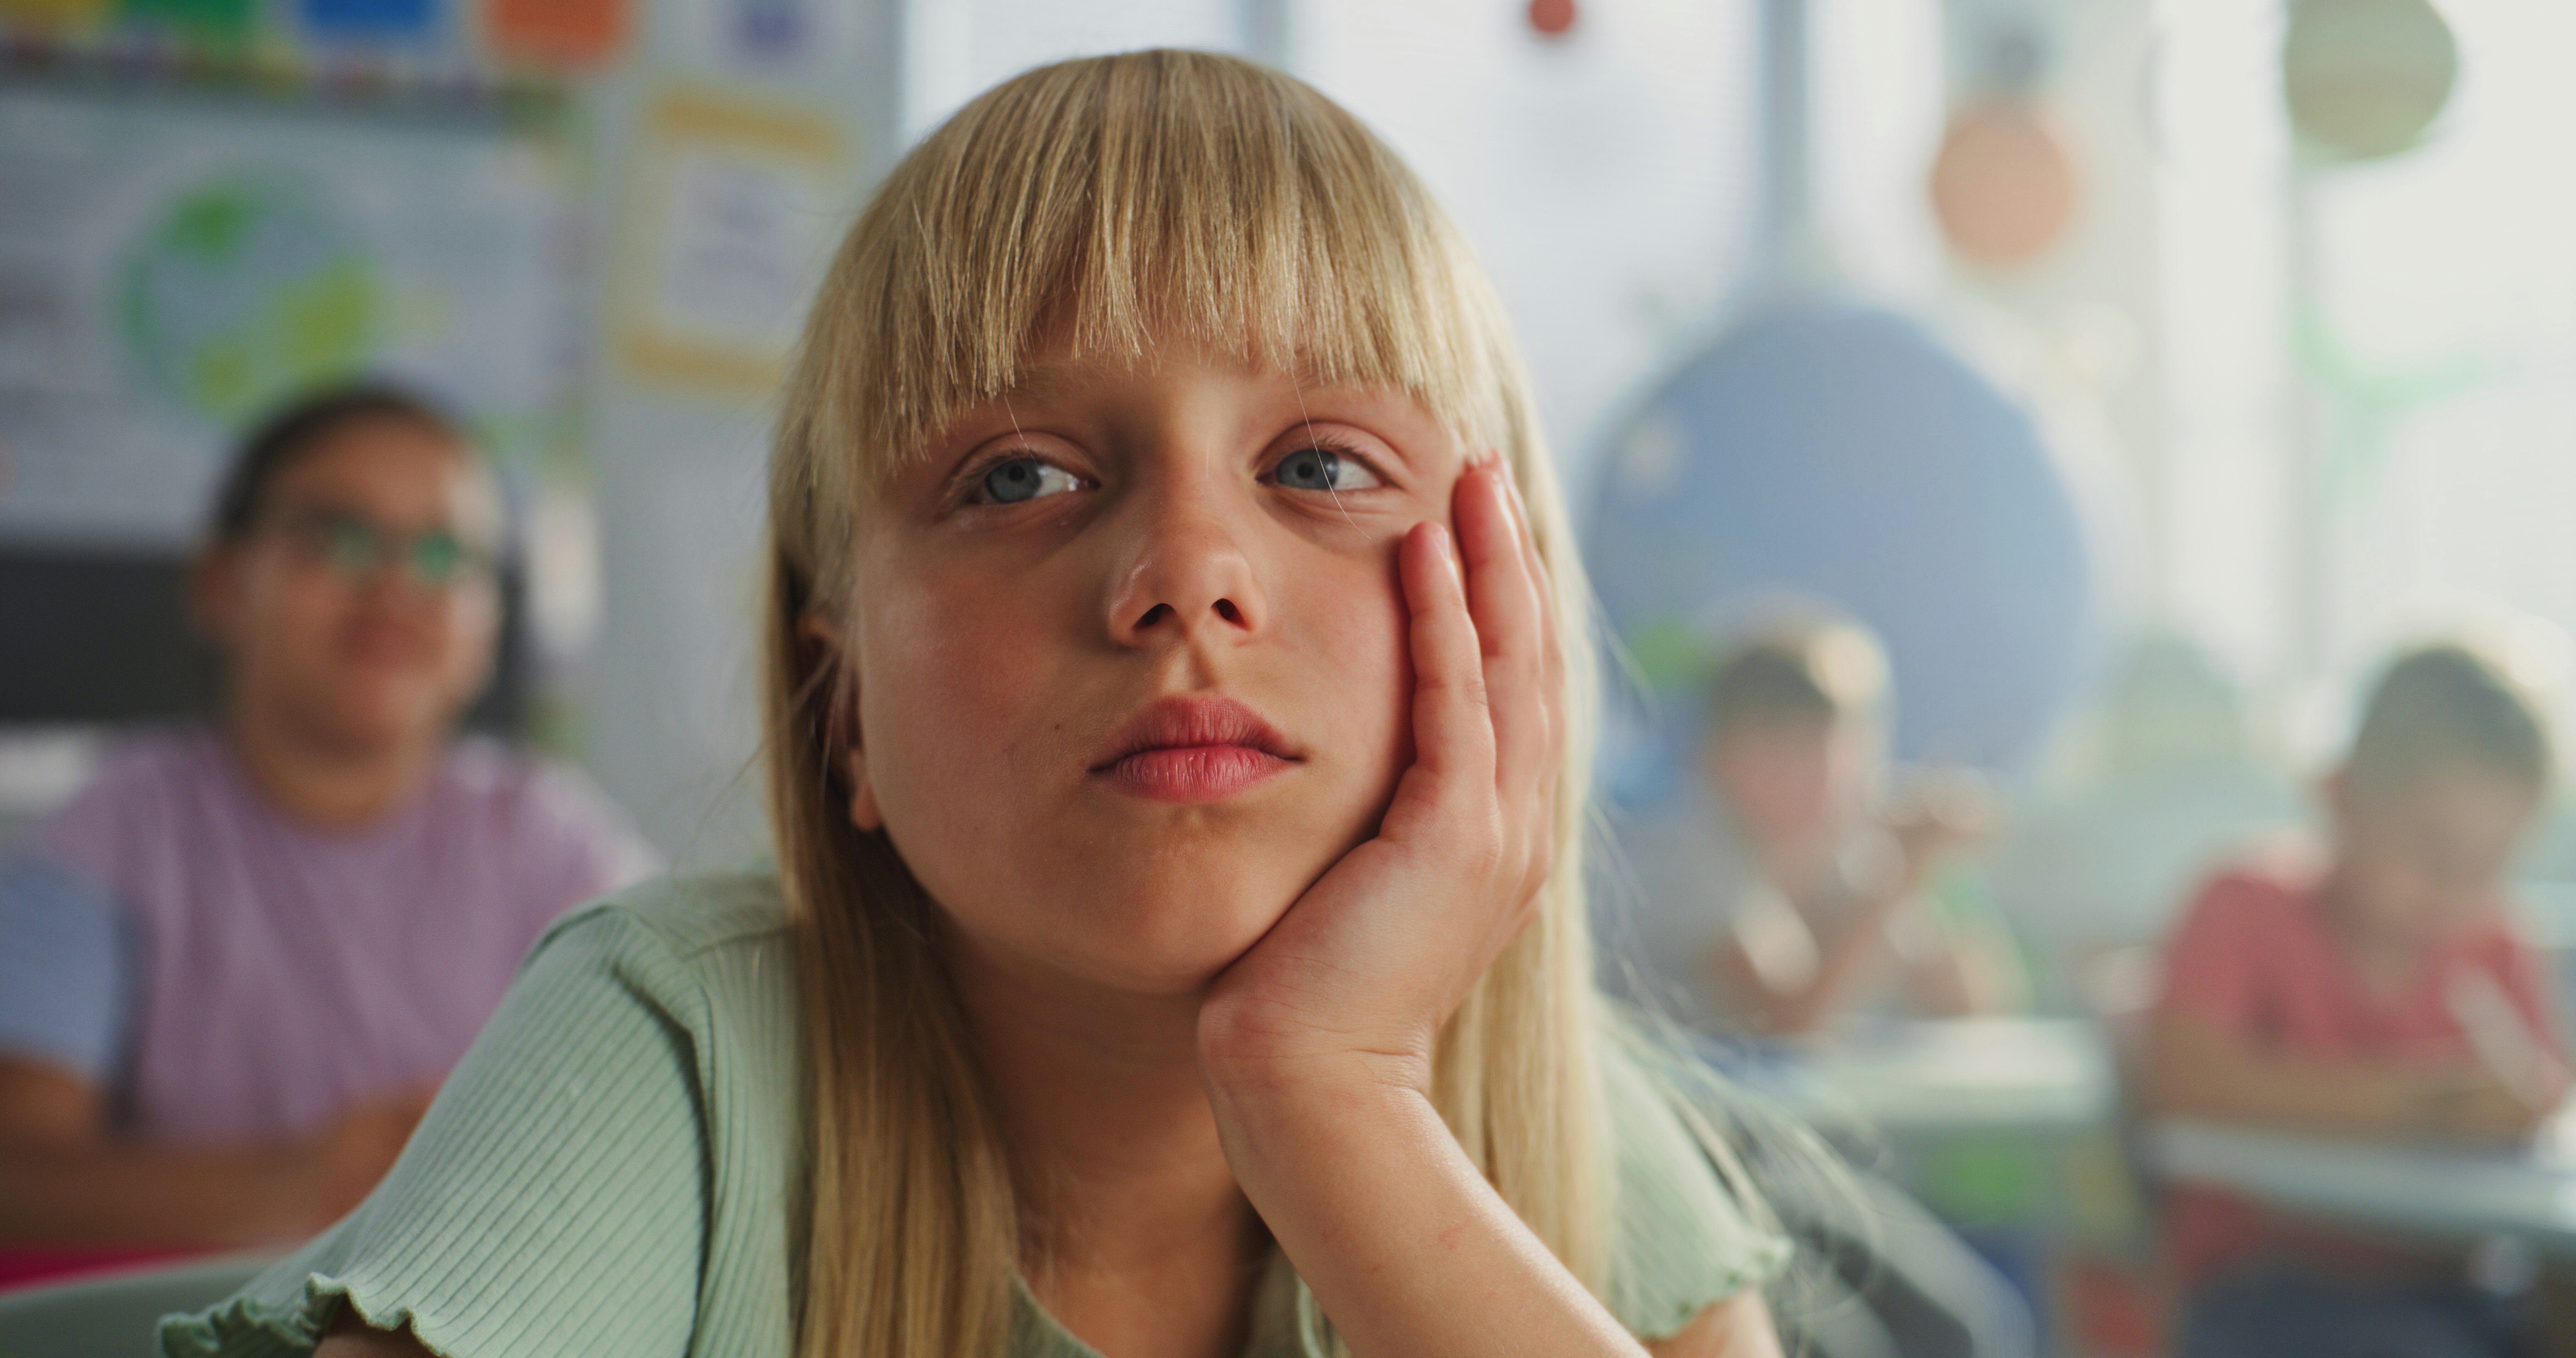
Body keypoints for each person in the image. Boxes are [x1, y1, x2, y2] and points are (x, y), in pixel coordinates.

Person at [162, 51, 1797, 1358]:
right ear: (842, 702)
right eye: (1018, 474)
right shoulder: (677, 1058)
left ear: (1507, 609)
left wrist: (1333, 1092)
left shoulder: (1557, 1125)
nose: (1184, 576)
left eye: (1318, 467)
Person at [0, 385, 657, 1267]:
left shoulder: (552, 839)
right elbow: (20, 1176)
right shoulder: (109, 832)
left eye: (440, 553)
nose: (392, 586)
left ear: (486, 628)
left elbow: (667, 1108)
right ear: (223, 583)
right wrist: (307, 1184)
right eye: (339, 537)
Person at [2144, 642, 2571, 1358]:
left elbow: (2535, 1106)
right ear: (2339, 794)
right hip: (2271, 1290)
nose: (2455, 891)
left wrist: (2522, 1106)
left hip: (2463, 1285)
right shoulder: (2243, 904)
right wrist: (2430, 1106)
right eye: (2432, 852)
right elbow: (2184, 1082)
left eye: (2489, 865)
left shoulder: (2497, 945)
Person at [1606, 617, 2025, 1037]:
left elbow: (1972, 1005)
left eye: (1833, 745)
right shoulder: (1688, 851)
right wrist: (1902, 872)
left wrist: (1936, 868)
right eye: (1780, 745)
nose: (1816, 775)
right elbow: (1785, 1018)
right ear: (1717, 753)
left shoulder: (1846, 857)